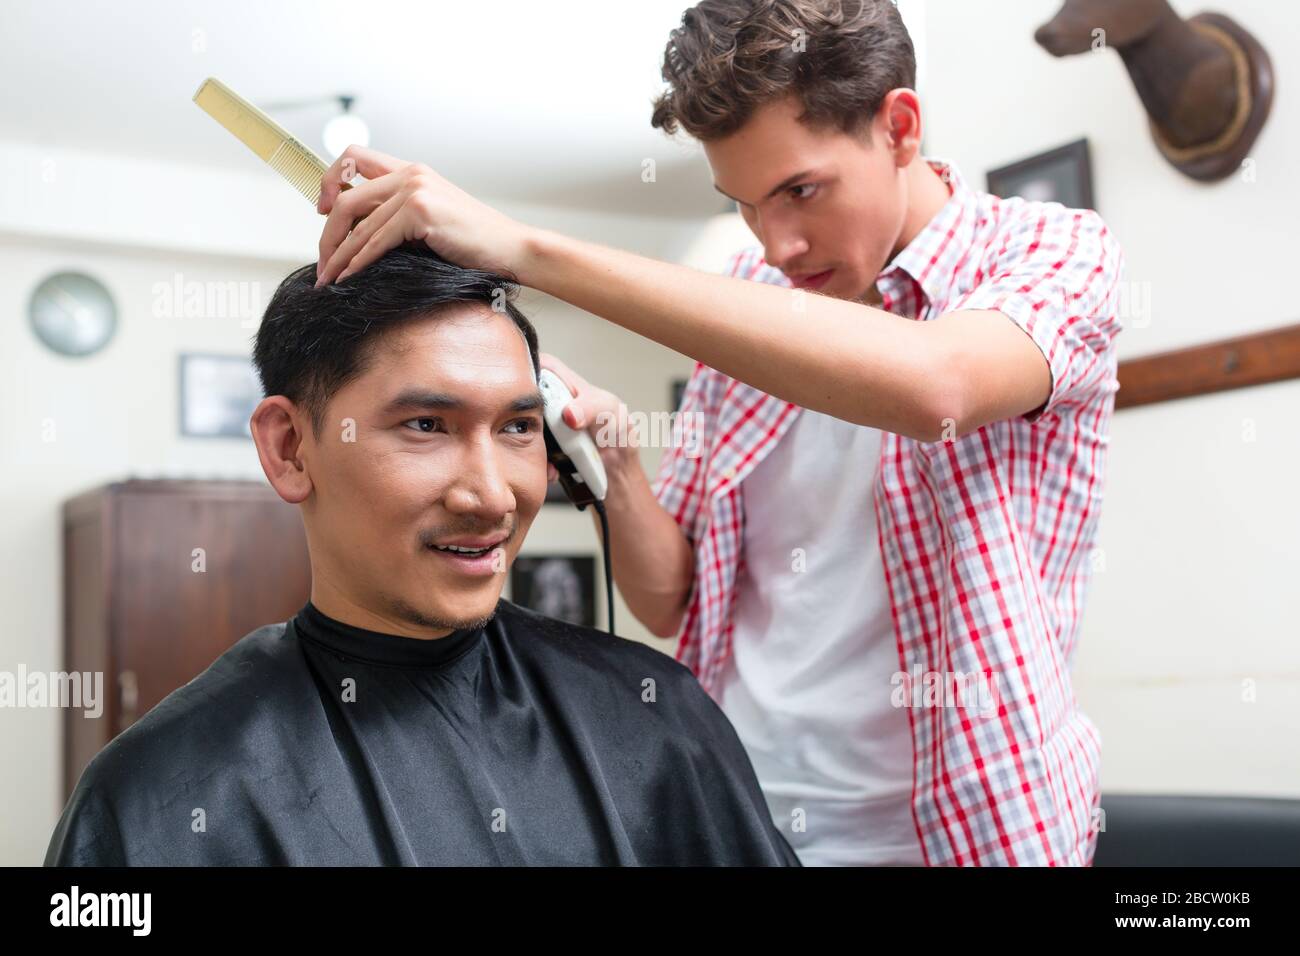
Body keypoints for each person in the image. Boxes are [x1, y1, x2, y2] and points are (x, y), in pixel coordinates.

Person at [310, 1, 1124, 866]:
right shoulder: (745, 292)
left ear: (899, 126)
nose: (776, 246)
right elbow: (672, 600)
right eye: (743, 204)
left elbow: (937, 387)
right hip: (746, 817)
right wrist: (616, 468)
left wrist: (524, 248)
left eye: (800, 191)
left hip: (971, 830)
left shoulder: (1054, 253)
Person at [44, 245, 801, 867]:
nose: (493, 496)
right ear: (289, 448)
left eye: (516, 429)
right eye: (427, 425)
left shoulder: (654, 714)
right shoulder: (163, 793)